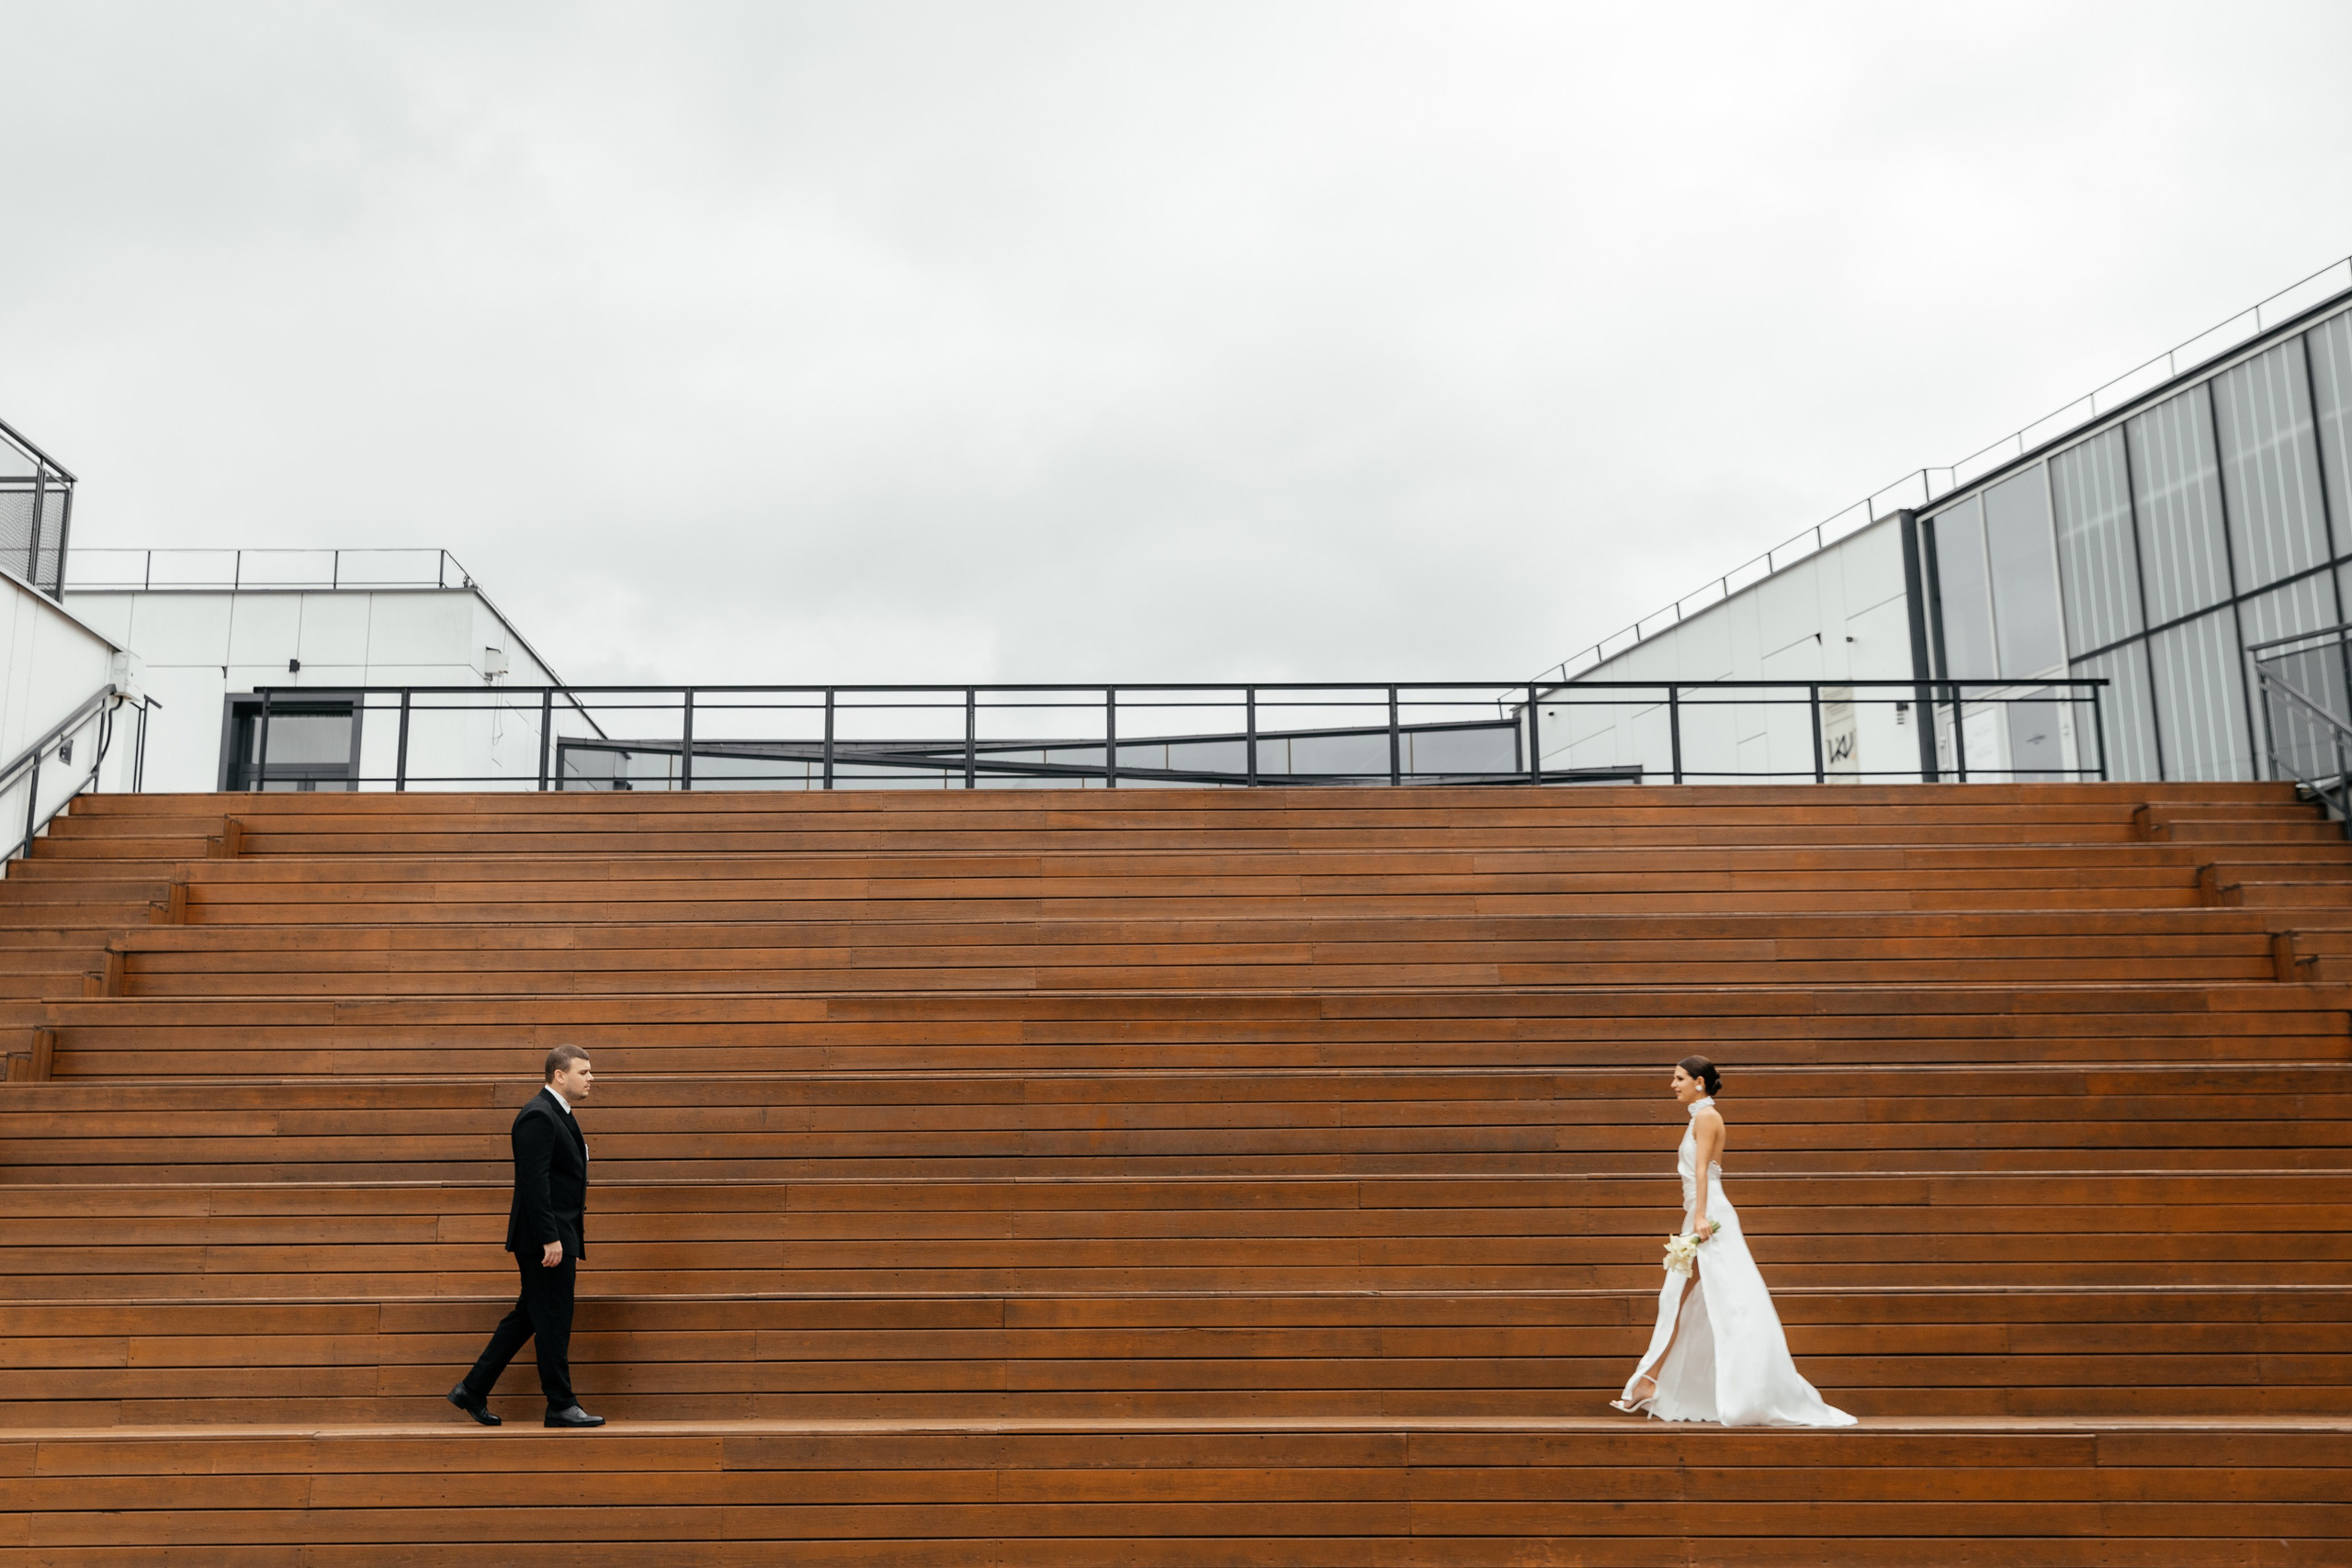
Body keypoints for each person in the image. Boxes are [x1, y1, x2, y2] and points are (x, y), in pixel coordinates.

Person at [1611, 1055, 1854, 1427]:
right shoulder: (1699, 1116)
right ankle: (1651, 1380)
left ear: (1699, 1083)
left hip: (1709, 1218)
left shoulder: (1707, 1118)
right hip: (1701, 1213)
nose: (1673, 1084)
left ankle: (1735, 1388)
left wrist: (1700, 1218)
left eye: (1679, 1078)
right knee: (1682, 1300)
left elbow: (1703, 1171)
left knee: (1729, 1302)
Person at [448, 1045, 605, 1429]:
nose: (592, 1078)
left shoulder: (558, 1114)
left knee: (530, 1316)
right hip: (545, 1240)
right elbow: (534, 1185)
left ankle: (472, 1388)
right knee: (553, 1318)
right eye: (583, 1072)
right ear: (559, 1075)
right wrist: (551, 1238)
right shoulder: (538, 1115)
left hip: (554, 1235)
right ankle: (560, 1404)